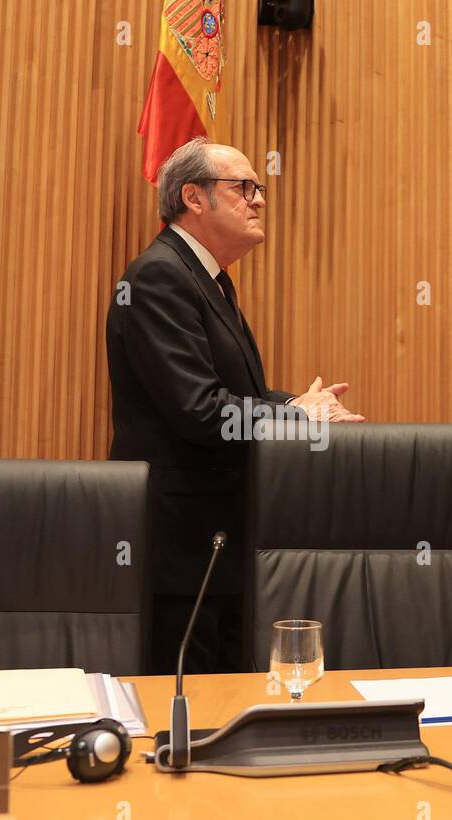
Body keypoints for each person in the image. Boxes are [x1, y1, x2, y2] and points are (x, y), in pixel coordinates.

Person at [106, 137, 363, 674]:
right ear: (194, 198)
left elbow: (234, 399)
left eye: (257, 188)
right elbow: (203, 412)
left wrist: (297, 400)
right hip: (181, 549)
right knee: (189, 714)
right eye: (244, 187)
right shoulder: (158, 276)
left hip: (218, 542)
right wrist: (299, 418)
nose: (259, 199)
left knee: (225, 700)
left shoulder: (208, 280)